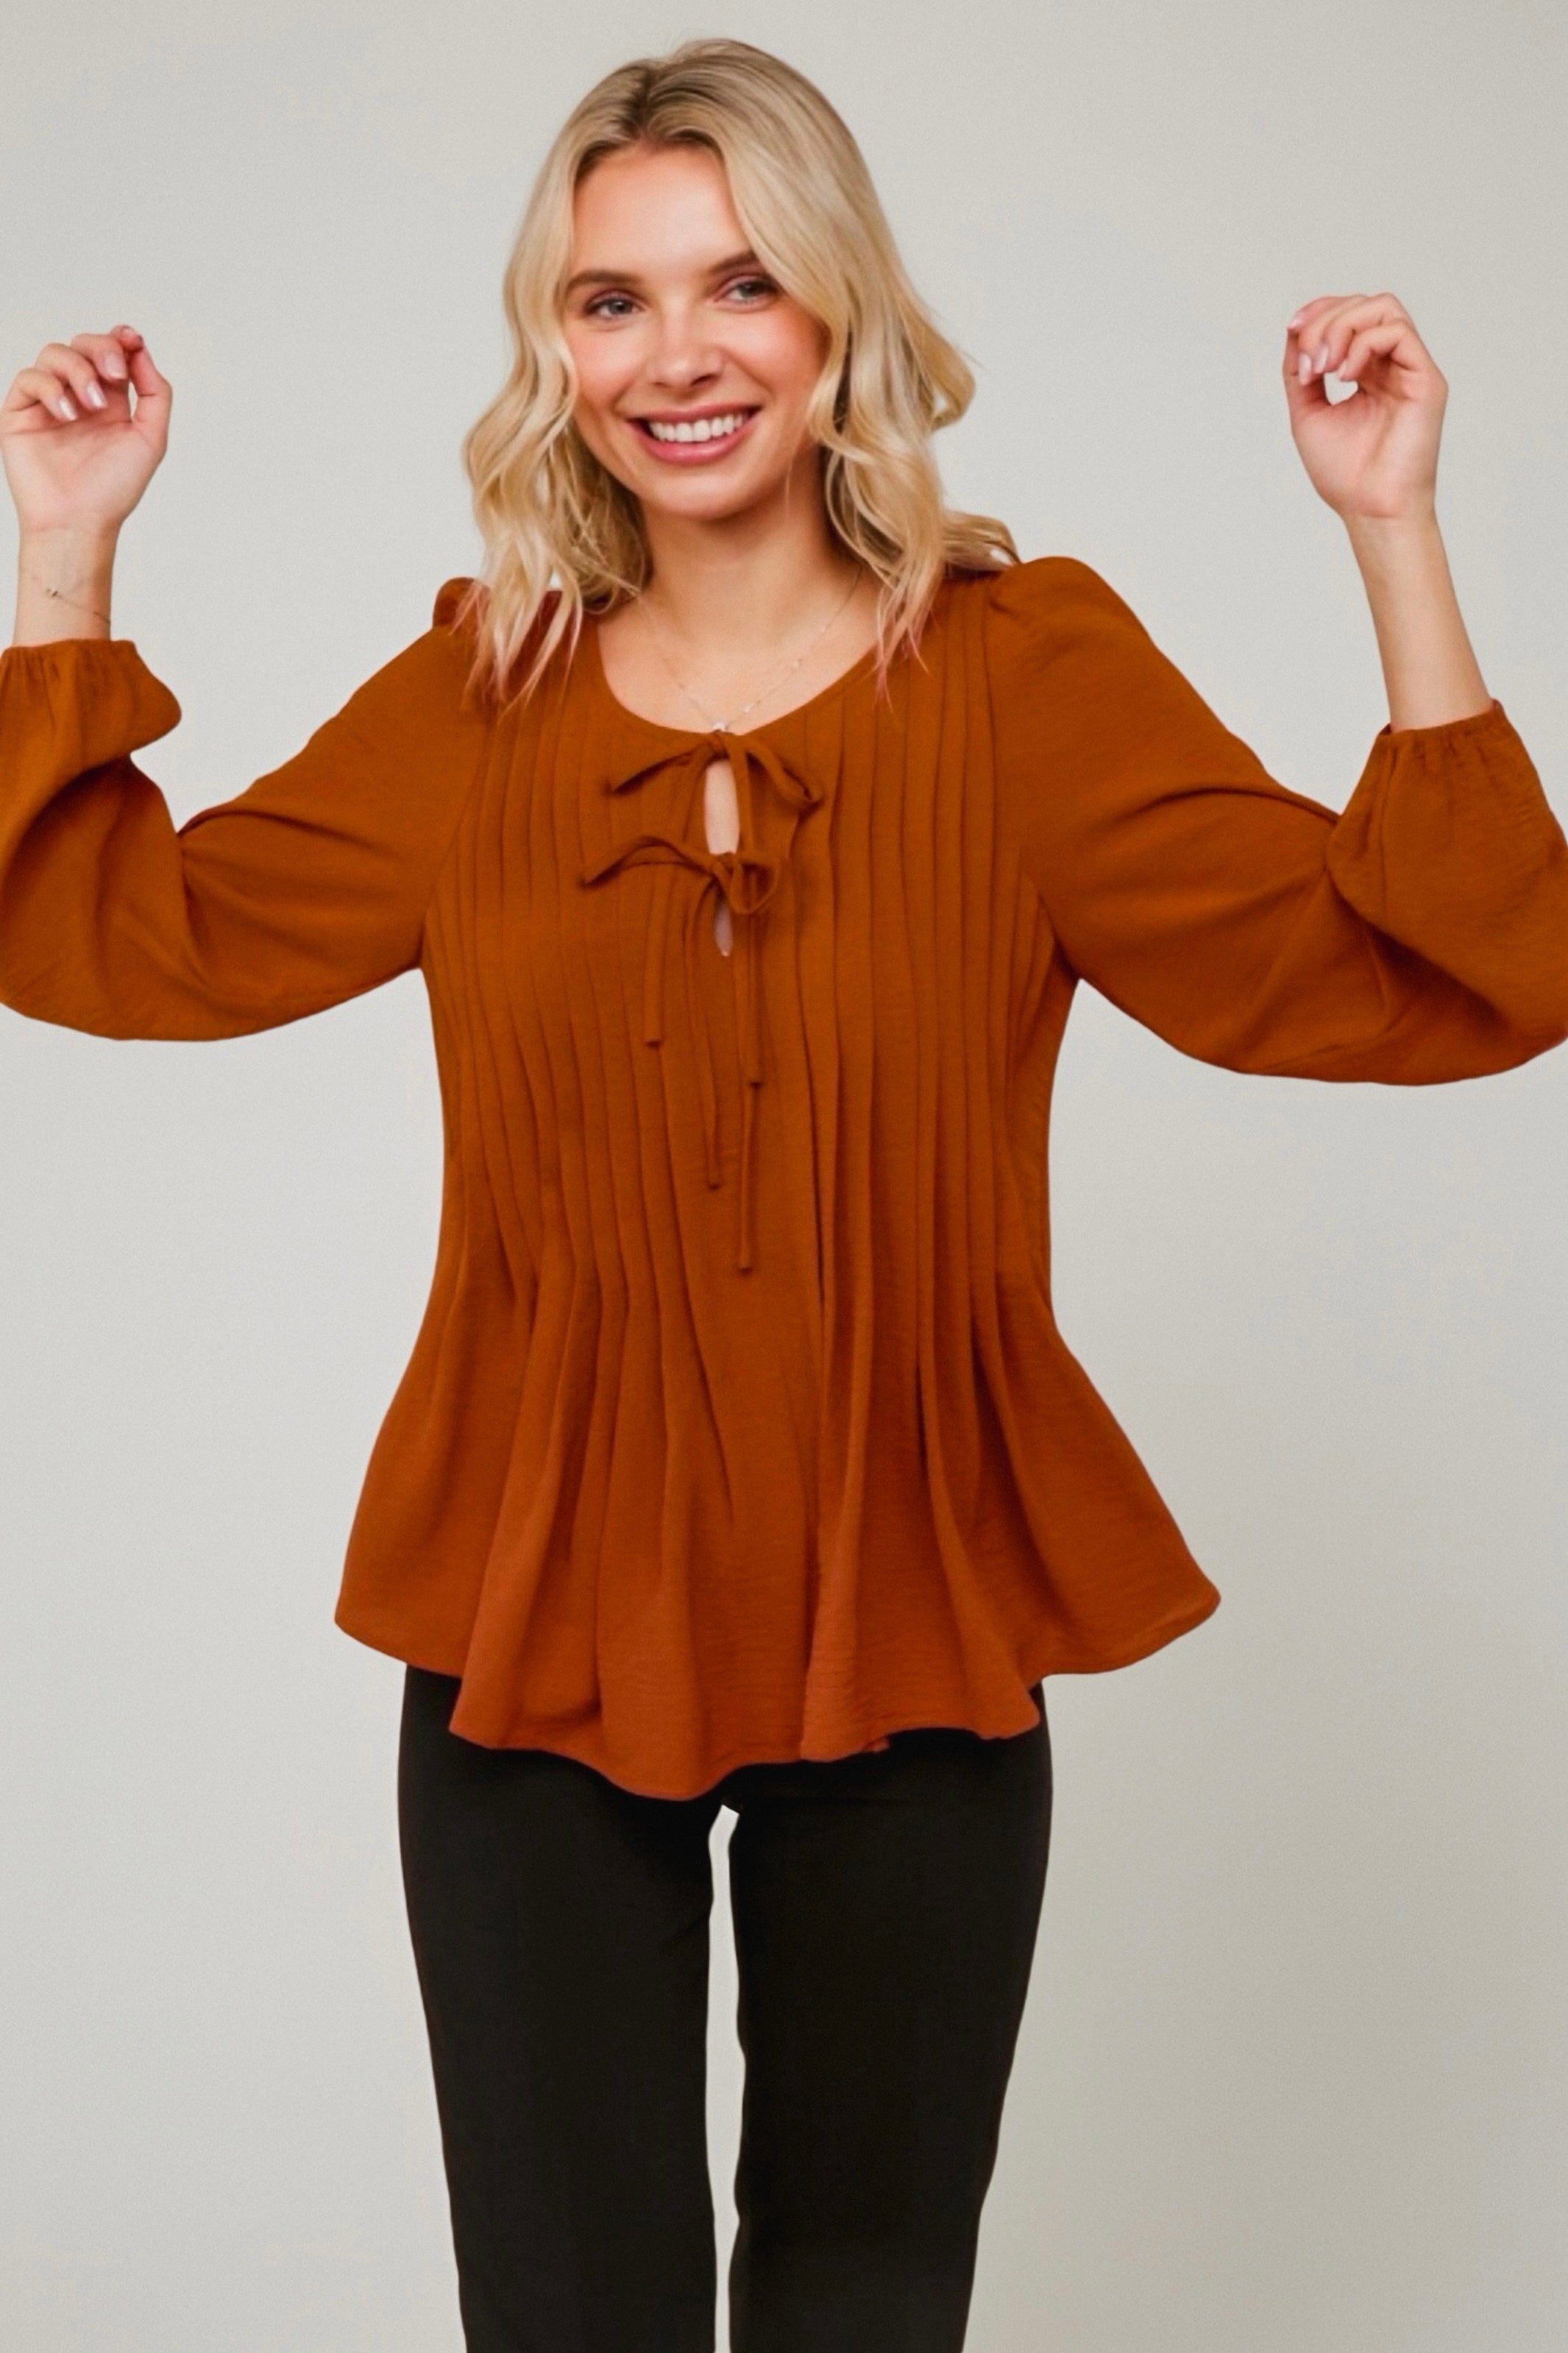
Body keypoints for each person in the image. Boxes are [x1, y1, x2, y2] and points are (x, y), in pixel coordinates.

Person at [3, 32, 1564, 2353]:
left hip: (911, 1602)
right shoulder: (479, 694)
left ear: (838, 313)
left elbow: (1444, 971)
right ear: (552, 347)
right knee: (565, 2312)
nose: (674, 355)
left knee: (862, 2305)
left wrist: (1391, 530)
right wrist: (66, 542)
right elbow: (119, 940)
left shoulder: (1031, 675)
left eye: (738, 283)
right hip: (534, 1619)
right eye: (607, 299)